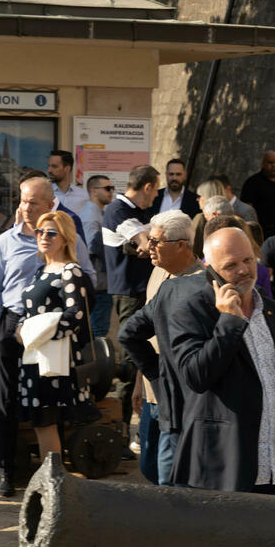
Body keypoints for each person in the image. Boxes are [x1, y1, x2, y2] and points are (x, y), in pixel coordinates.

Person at [168, 227, 275, 547]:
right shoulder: (191, 310)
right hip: (221, 471)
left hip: (273, 469)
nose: (245, 270)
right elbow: (196, 376)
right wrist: (228, 323)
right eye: (232, 265)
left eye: (248, 260)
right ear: (209, 267)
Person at [118, 210, 204, 547]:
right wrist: (153, 374)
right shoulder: (167, 285)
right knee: (172, 496)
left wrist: (158, 375)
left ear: (182, 245)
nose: (148, 247)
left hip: (194, 415)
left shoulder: (199, 286)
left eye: (156, 242)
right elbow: (129, 333)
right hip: (174, 411)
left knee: (186, 501)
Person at [0, 176, 58, 496]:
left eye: (33, 202)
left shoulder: (61, 237)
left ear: (50, 205)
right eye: (23, 201)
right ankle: (5, 469)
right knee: (8, 398)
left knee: (45, 399)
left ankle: (50, 474)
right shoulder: (6, 241)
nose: (26, 207)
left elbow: (85, 275)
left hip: (47, 327)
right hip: (11, 323)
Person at [17, 211, 94, 463]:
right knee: (42, 422)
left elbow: (75, 316)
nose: (44, 237)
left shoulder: (70, 270)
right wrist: (21, 329)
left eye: (51, 233)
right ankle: (52, 482)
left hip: (56, 362)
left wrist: (32, 331)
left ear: (65, 238)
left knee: (46, 422)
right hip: (34, 357)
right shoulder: (41, 270)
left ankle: (52, 485)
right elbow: (27, 311)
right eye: (40, 232)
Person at [102, 164, 159, 454]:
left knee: (145, 360)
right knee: (129, 363)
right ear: (147, 187)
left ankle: (140, 430)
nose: (156, 195)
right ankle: (121, 433)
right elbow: (142, 240)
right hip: (128, 295)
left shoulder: (145, 212)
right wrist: (146, 243)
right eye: (155, 189)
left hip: (144, 291)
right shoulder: (117, 210)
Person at [79, 175, 114, 337]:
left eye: (112, 188)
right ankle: (97, 361)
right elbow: (91, 248)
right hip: (98, 282)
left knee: (99, 328)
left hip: (101, 281)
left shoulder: (98, 212)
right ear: (94, 191)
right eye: (107, 188)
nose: (111, 191)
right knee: (97, 330)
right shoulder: (90, 214)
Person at [240, 150, 275, 238]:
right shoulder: (252, 183)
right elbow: (247, 208)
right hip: (262, 231)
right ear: (263, 163)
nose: (273, 165)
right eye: (270, 162)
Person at [47, 150, 88, 215]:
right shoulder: (46, 193)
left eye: (54, 166)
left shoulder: (84, 196)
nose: (49, 170)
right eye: (49, 166)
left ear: (67, 169)